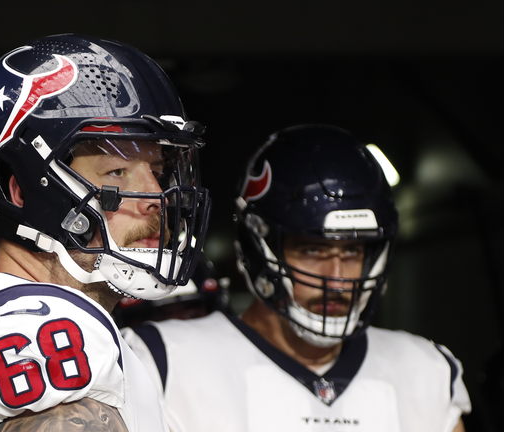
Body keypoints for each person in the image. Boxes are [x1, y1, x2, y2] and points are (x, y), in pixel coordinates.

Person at [0, 34, 211, 432]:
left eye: (157, 172)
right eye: (116, 173)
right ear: (22, 192)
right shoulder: (39, 324)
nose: (156, 196)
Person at [122, 124, 472, 432]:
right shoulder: (161, 361)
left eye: (352, 252)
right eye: (313, 250)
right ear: (259, 247)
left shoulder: (426, 370)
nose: (336, 279)